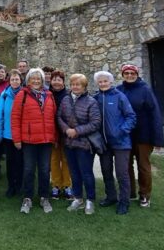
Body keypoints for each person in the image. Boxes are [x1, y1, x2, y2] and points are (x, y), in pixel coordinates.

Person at [117, 63, 164, 209]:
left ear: (137, 74)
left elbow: (154, 114)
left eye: (132, 73)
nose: (129, 75)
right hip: (125, 135)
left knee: (143, 166)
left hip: (144, 134)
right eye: (127, 73)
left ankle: (144, 194)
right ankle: (129, 192)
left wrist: (158, 139)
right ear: (123, 74)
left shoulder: (145, 90)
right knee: (126, 166)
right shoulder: (119, 90)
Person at [12, 68, 57, 214]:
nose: (36, 81)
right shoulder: (22, 95)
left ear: (43, 80)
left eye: (39, 78)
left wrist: (54, 137)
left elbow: (53, 119)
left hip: (45, 140)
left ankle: (44, 197)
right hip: (29, 140)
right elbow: (15, 118)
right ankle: (27, 198)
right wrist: (17, 139)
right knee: (29, 170)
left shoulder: (49, 95)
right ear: (28, 80)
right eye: (33, 78)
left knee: (45, 170)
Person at [58, 74, 102, 215]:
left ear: (84, 87)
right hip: (69, 143)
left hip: (84, 144)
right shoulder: (65, 99)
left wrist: (77, 131)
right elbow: (59, 117)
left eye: (79, 84)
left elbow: (95, 123)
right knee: (74, 172)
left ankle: (90, 200)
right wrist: (66, 129)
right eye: (73, 84)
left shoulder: (91, 102)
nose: (75, 87)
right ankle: (78, 198)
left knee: (86, 173)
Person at [94, 70, 137, 215]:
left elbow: (131, 116)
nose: (103, 83)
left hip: (121, 142)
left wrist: (121, 131)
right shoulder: (96, 98)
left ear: (110, 82)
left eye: (105, 81)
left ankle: (124, 201)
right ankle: (111, 196)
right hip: (104, 143)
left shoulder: (120, 96)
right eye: (100, 81)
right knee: (106, 171)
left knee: (121, 173)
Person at [0, 70, 24, 197]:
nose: (15, 81)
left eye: (17, 79)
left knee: (21, 162)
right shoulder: (5, 95)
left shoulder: (25, 94)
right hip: (7, 134)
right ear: (9, 81)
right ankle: (11, 186)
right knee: (10, 162)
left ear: (21, 81)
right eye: (12, 79)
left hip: (22, 135)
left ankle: (19, 186)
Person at [49, 70, 72, 199]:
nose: (56, 82)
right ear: (51, 81)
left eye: (59, 80)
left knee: (66, 159)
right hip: (52, 132)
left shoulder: (69, 95)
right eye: (54, 80)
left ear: (63, 81)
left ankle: (67, 185)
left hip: (66, 131)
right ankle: (56, 185)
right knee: (54, 160)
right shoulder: (47, 94)